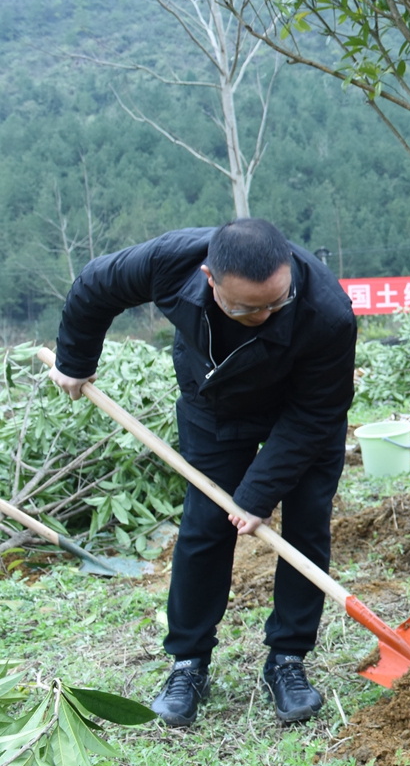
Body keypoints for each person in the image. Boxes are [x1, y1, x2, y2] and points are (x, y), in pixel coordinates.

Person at [48, 219, 356, 728]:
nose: (261, 315)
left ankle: (288, 659)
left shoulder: (328, 313)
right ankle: (189, 662)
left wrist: (256, 495)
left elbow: (314, 417)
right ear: (209, 277)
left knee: (306, 525)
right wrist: (75, 359)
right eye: (244, 307)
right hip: (215, 404)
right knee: (204, 526)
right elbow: (96, 285)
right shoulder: (172, 260)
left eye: (275, 304)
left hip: (301, 413)